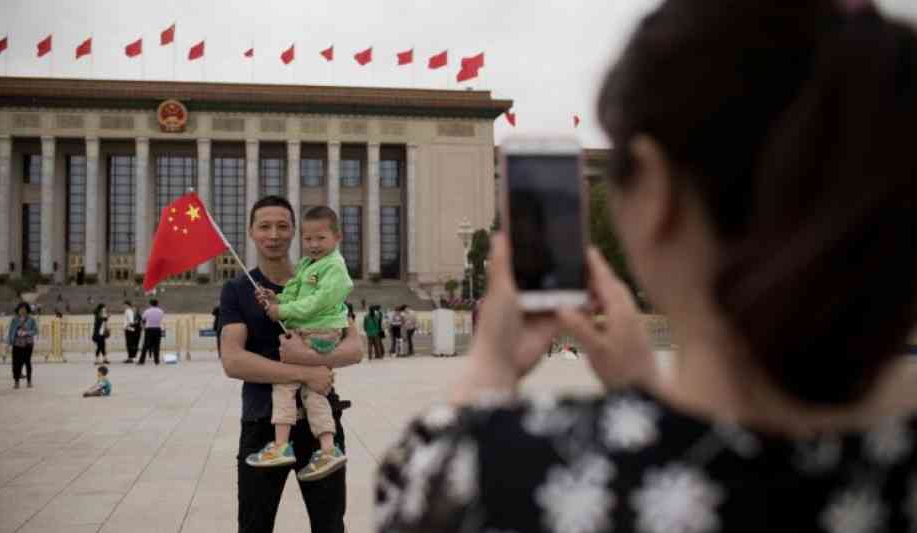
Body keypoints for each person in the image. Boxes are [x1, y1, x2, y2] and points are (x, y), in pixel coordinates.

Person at [374, 2, 917, 532]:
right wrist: (646, 389)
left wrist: (489, 365)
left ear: (657, 193)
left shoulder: (507, 478)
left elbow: (416, 495)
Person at [219, 195, 364, 533]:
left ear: (295, 232)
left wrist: (308, 359)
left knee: (330, 526)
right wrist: (306, 371)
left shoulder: (321, 276)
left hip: (320, 426)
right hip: (263, 424)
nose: (274, 234)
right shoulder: (239, 289)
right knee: (255, 526)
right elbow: (234, 360)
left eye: (282, 226)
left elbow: (354, 348)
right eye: (264, 226)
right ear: (252, 233)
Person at [247, 206, 353, 480]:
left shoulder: (335, 268)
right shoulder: (307, 265)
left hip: (319, 331)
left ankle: (281, 445)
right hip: (309, 330)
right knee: (312, 392)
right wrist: (277, 298)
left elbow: (317, 302)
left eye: (321, 238)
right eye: (308, 239)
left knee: (284, 384)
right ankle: (328, 448)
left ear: (337, 238)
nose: (314, 245)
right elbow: (294, 291)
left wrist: (282, 312)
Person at [7, 302, 38, 389]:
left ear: (27, 310)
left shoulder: (31, 320)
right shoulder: (14, 319)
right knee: (16, 363)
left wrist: (26, 333)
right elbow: (11, 331)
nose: (22, 311)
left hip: (28, 344)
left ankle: (29, 381)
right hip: (17, 343)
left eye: (24, 309)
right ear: (18, 310)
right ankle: (16, 382)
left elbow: (35, 331)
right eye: (20, 309)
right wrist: (10, 342)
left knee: (27, 362)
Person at [138, 299, 164, 365]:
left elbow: (143, 319)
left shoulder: (147, 311)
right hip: (158, 329)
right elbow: (161, 319)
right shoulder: (161, 311)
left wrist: (143, 325)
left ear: (150, 304)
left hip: (149, 329)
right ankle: (156, 360)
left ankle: (142, 360)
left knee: (145, 345)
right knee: (157, 345)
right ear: (157, 304)